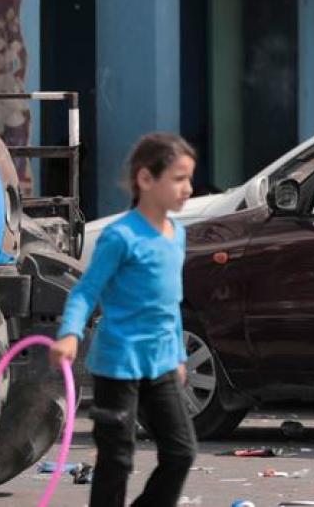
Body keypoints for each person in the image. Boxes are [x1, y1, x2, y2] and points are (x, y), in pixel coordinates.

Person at [51, 133, 199, 506]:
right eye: (179, 179)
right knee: (117, 460)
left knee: (181, 452)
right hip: (119, 364)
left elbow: (171, 302)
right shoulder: (120, 236)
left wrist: (179, 355)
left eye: (189, 179)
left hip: (163, 363)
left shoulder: (177, 234)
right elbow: (86, 291)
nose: (189, 189)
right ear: (146, 180)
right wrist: (70, 334)